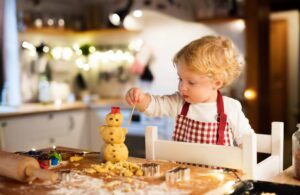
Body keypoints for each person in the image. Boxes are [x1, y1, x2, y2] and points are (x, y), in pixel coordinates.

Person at [125, 35, 254, 147]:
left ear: (216, 83)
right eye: (180, 79)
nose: (181, 87)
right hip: (183, 174)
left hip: (218, 175)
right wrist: (141, 98)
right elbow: (155, 105)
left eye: (191, 82)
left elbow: (248, 142)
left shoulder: (230, 108)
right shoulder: (179, 103)